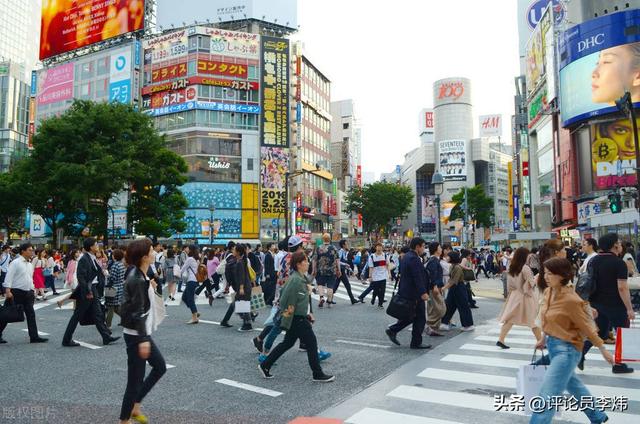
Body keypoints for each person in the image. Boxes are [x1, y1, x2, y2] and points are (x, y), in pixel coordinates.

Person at [530, 258, 612, 424]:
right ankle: (598, 416)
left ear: (562, 275)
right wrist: (543, 338)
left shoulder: (570, 300)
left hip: (567, 351)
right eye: (545, 273)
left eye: (550, 274)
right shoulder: (548, 292)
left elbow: (587, 326)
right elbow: (548, 319)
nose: (545, 277)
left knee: (548, 394)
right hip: (553, 346)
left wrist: (603, 348)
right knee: (574, 386)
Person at [258, 251, 335, 382]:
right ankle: (317, 373)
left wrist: (306, 314)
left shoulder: (300, 278)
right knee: (311, 343)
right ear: (299, 264)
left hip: (298, 317)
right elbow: (287, 301)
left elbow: (299, 300)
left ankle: (265, 365)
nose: (308, 263)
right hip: (296, 318)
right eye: (305, 261)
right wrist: (288, 319)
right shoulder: (295, 281)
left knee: (287, 343)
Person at [119, 238, 167, 424]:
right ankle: (124, 420)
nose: (155, 252)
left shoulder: (137, 272)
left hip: (138, 333)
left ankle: (136, 406)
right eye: (152, 250)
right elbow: (137, 312)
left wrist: (149, 285)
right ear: (145, 257)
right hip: (137, 336)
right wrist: (144, 339)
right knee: (134, 381)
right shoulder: (137, 278)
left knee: (160, 366)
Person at [580, 233, 636, 374]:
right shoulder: (619, 263)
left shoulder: (594, 260)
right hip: (616, 305)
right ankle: (619, 364)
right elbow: (622, 287)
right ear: (614, 245)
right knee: (623, 333)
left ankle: (580, 353)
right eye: (618, 242)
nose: (620, 244)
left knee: (600, 332)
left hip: (596, 303)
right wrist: (629, 308)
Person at [62, 238, 119, 347]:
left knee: (98, 314)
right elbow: (81, 277)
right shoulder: (84, 259)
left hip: (93, 289)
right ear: (91, 247)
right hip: (88, 290)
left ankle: (106, 337)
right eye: (96, 244)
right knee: (77, 315)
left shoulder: (91, 258)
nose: (98, 245)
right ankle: (66, 339)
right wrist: (87, 291)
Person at [384, 237, 432, 349]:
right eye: (423, 246)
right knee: (419, 318)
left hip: (408, 291)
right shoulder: (414, 259)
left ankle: (393, 330)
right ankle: (415, 342)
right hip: (414, 294)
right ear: (417, 247)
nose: (424, 249)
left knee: (411, 316)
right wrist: (423, 292)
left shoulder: (406, 257)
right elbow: (417, 277)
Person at [0, 243, 48, 344]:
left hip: (28, 292)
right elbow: (9, 276)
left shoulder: (30, 264)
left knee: (31, 314)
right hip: (16, 292)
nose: (32, 252)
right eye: (30, 250)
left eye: (32, 250)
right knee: (6, 315)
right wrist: (7, 290)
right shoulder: (16, 262)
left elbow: (29, 278)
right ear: (23, 251)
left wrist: (32, 289)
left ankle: (34, 337)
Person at [496, 247, 541, 349]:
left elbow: (509, 285)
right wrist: (537, 278)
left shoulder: (512, 267)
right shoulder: (525, 268)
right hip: (525, 296)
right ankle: (540, 341)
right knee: (533, 318)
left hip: (514, 295)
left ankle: (501, 339)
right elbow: (531, 284)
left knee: (510, 319)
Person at [220, 244, 253, 331]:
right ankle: (226, 321)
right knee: (239, 303)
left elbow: (241, 276)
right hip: (245, 286)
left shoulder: (240, 262)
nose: (233, 251)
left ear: (238, 252)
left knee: (242, 304)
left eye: (234, 250)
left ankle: (248, 324)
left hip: (243, 287)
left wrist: (241, 288)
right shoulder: (242, 260)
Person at [440, 251, 475, 332]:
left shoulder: (457, 268)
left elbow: (453, 281)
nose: (447, 258)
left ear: (452, 257)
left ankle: (468, 325)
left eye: (448, 256)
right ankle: (444, 323)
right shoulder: (452, 266)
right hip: (454, 288)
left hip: (459, 288)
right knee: (449, 305)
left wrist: (444, 288)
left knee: (463, 306)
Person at [312, 233, 341, 308]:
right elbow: (337, 260)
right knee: (330, 286)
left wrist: (313, 269)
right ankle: (329, 301)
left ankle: (321, 297)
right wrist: (339, 270)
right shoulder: (334, 248)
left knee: (320, 284)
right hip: (332, 270)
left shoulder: (318, 248)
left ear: (323, 239)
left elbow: (314, 260)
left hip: (321, 270)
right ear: (330, 239)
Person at [357, 243, 389, 307]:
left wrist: (389, 273)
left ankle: (380, 301)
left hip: (382, 276)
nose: (379, 248)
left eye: (380, 246)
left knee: (379, 289)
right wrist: (370, 276)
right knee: (373, 288)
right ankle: (372, 298)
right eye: (378, 246)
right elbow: (370, 267)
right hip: (375, 276)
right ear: (375, 248)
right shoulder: (371, 256)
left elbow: (387, 265)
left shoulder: (385, 256)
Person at [425, 242, 446, 337]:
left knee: (433, 309)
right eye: (440, 247)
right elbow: (432, 274)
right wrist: (434, 286)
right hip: (434, 288)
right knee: (441, 309)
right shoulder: (433, 260)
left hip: (434, 287)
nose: (441, 249)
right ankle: (427, 325)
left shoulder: (434, 260)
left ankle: (433, 328)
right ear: (436, 250)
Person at [105, 249, 126, 329]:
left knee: (110, 306)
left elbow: (112, 278)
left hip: (113, 288)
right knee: (116, 307)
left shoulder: (115, 265)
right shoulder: (121, 264)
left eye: (113, 254)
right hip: (120, 287)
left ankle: (107, 325)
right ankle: (126, 319)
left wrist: (107, 274)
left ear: (115, 256)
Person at [180, 245, 201, 325]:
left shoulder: (190, 259)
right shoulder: (196, 259)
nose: (187, 250)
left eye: (188, 248)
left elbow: (183, 268)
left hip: (191, 281)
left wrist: (177, 275)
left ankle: (194, 317)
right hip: (194, 281)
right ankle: (195, 311)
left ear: (191, 250)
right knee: (184, 297)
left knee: (190, 299)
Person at [335, 239, 358, 304]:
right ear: (343, 245)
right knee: (347, 285)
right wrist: (345, 264)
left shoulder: (344, 252)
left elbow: (345, 264)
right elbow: (338, 261)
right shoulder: (341, 251)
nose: (347, 245)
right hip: (340, 271)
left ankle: (329, 299)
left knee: (336, 286)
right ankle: (352, 299)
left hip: (342, 270)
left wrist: (351, 271)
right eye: (346, 244)